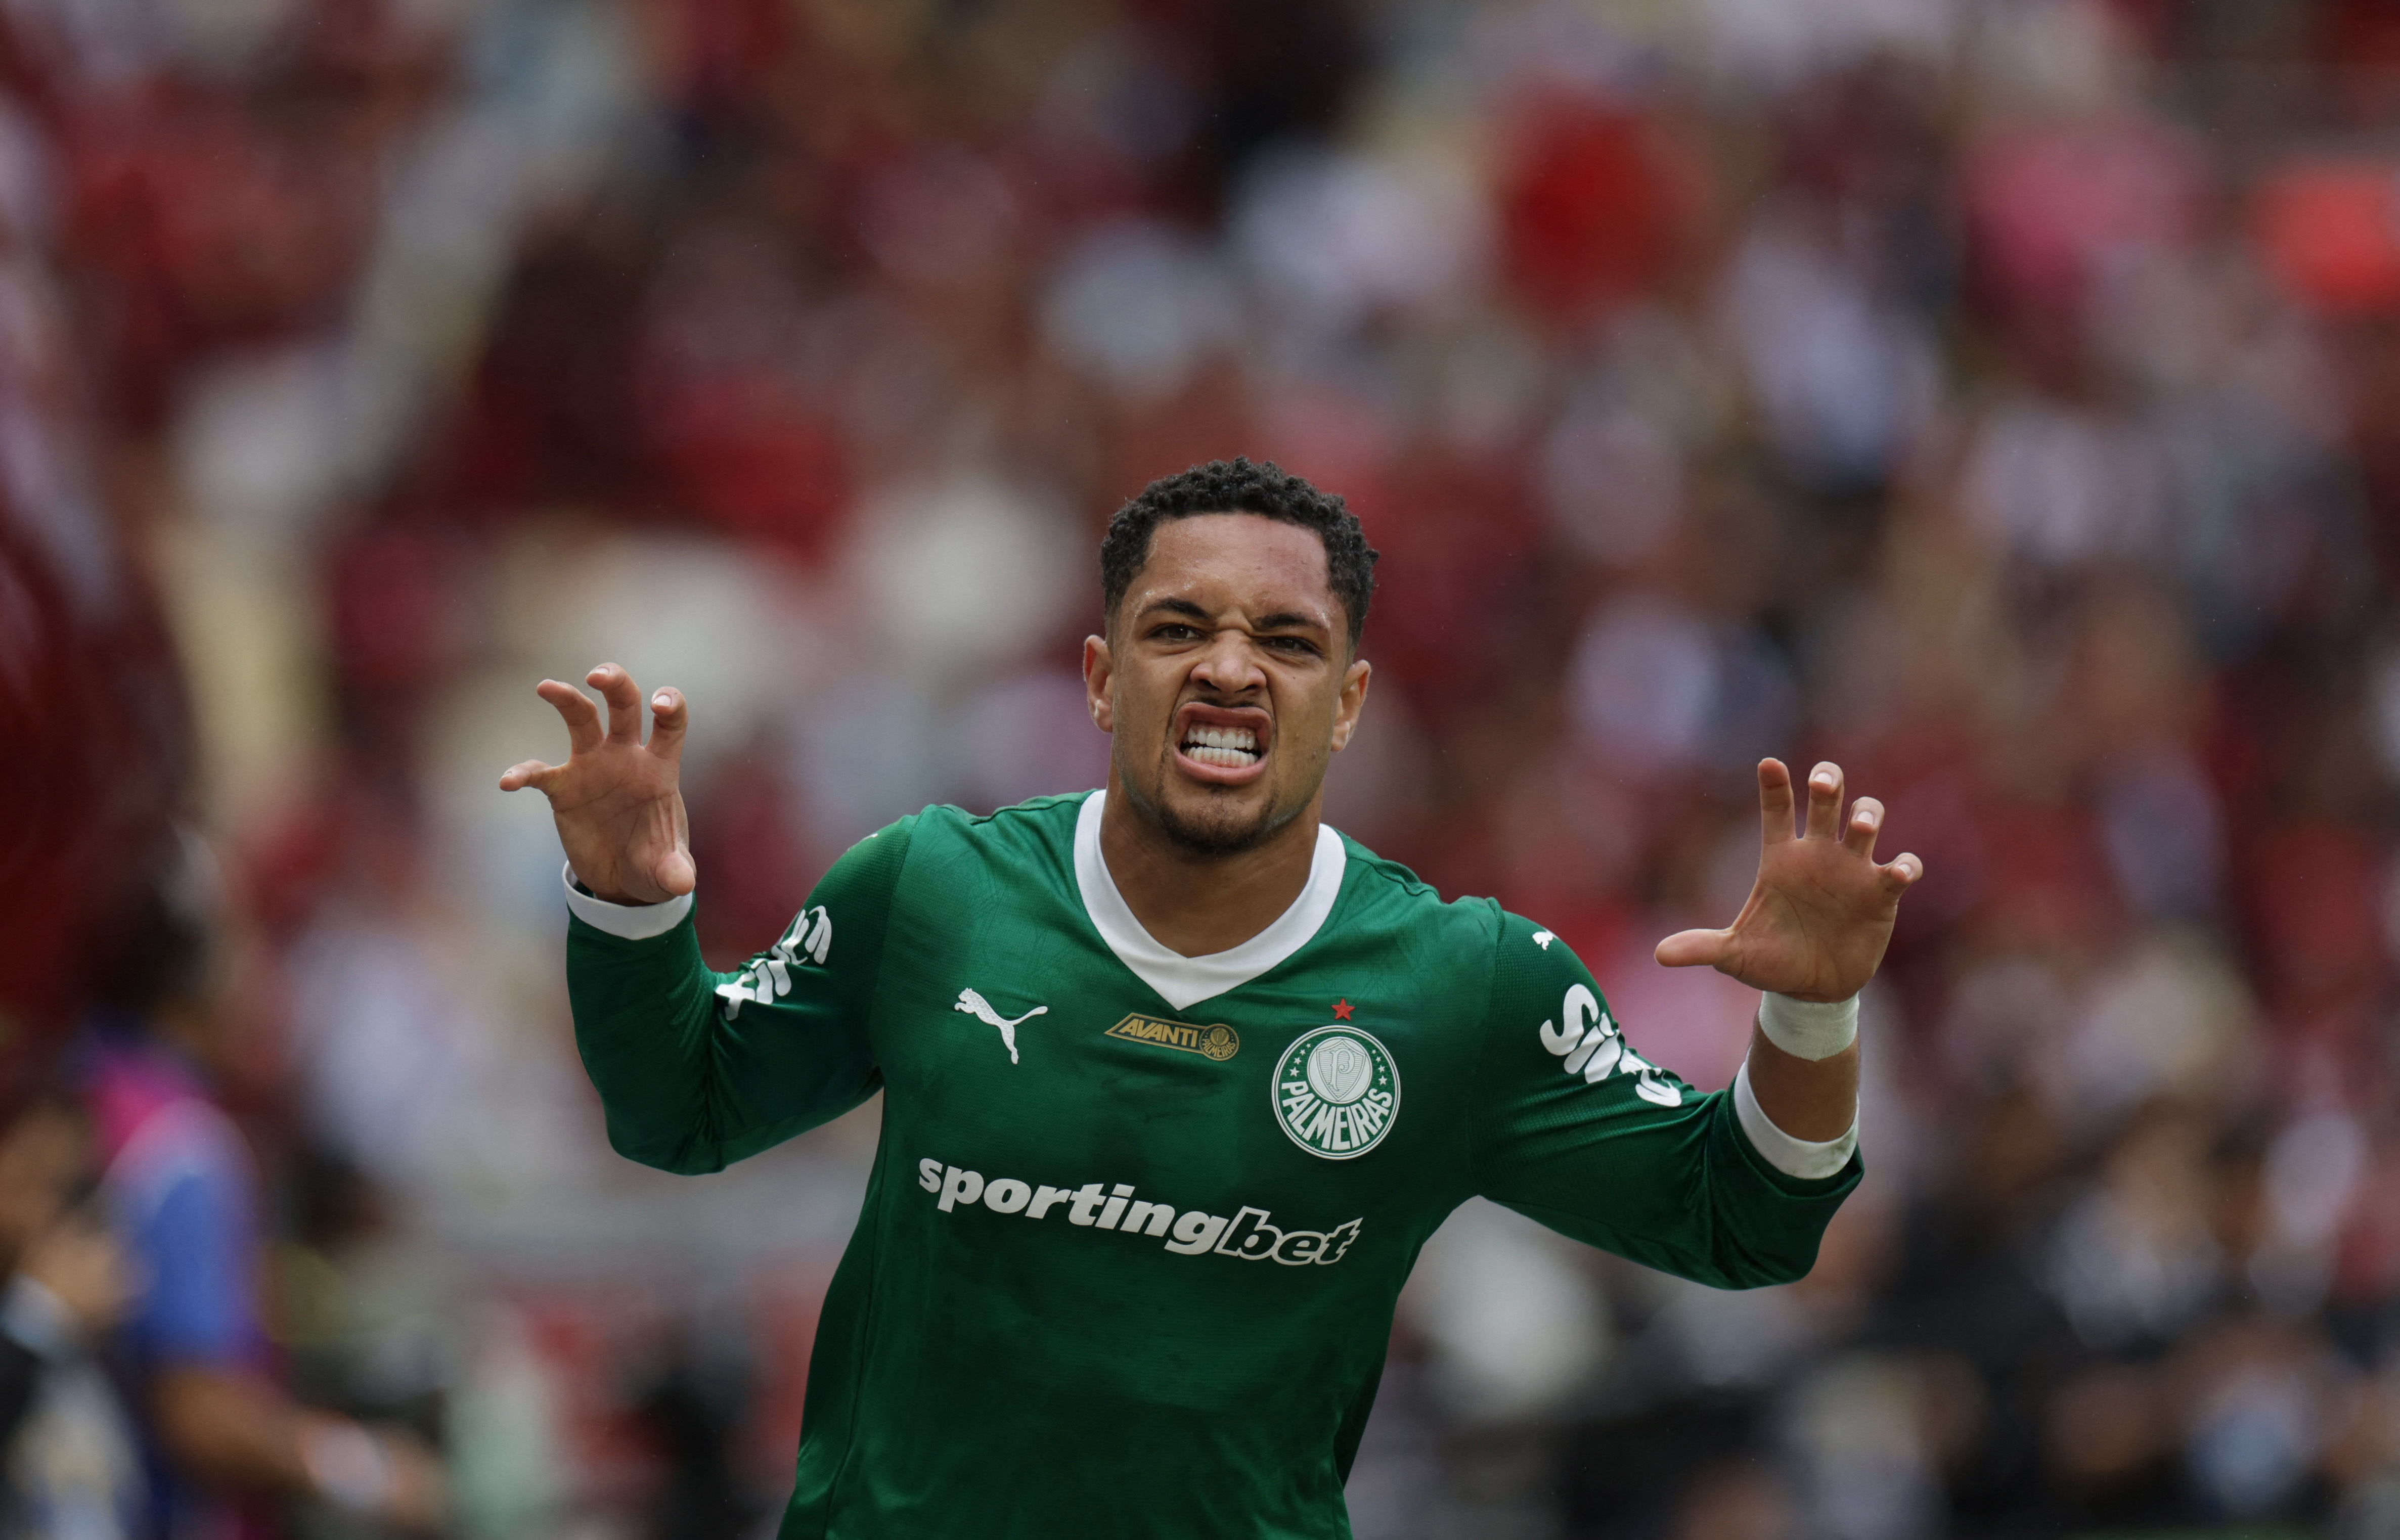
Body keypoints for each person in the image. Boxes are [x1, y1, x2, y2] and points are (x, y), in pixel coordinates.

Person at [502, 457, 1924, 1537]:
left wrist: (1811, 1015)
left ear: (1351, 699)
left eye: (1288, 640)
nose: (1232, 666)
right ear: (1103, 678)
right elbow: (678, 1111)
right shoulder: (930, 892)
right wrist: (633, 904)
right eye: (1180, 626)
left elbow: (1749, 1222)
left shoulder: (1462, 984)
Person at [72, 850, 448, 1538]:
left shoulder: (83, 1085)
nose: (260, 976)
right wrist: (370, 1470)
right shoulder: (181, 1147)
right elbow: (200, 1413)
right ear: (192, 973)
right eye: (243, 947)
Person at [0, 1081, 144, 1539]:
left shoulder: (86, 1337)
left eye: (69, 1190)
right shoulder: (36, 1321)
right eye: (32, 1180)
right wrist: (37, 1317)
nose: (48, 1214)